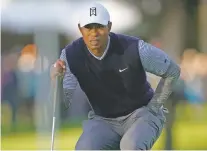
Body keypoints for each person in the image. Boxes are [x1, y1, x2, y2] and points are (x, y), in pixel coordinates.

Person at [50, 2, 180, 150]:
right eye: (88, 27)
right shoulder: (70, 55)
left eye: (99, 27)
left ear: (109, 27)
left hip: (141, 113)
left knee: (130, 146)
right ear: (80, 29)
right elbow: (65, 101)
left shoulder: (134, 48)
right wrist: (55, 79)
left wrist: (155, 105)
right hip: (103, 120)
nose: (94, 33)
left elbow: (172, 70)